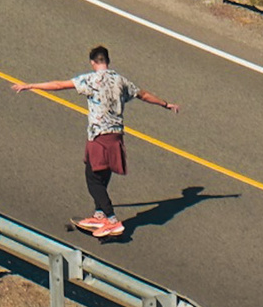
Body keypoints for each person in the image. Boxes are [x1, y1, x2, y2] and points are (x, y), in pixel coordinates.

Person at [12, 46, 178, 238]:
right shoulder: (121, 80)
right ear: (108, 60)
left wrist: (31, 85)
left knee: (92, 180)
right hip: (116, 136)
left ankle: (111, 219)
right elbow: (144, 95)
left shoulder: (90, 80)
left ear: (93, 62)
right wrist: (166, 104)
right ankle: (99, 214)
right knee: (102, 176)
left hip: (99, 136)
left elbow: (59, 85)